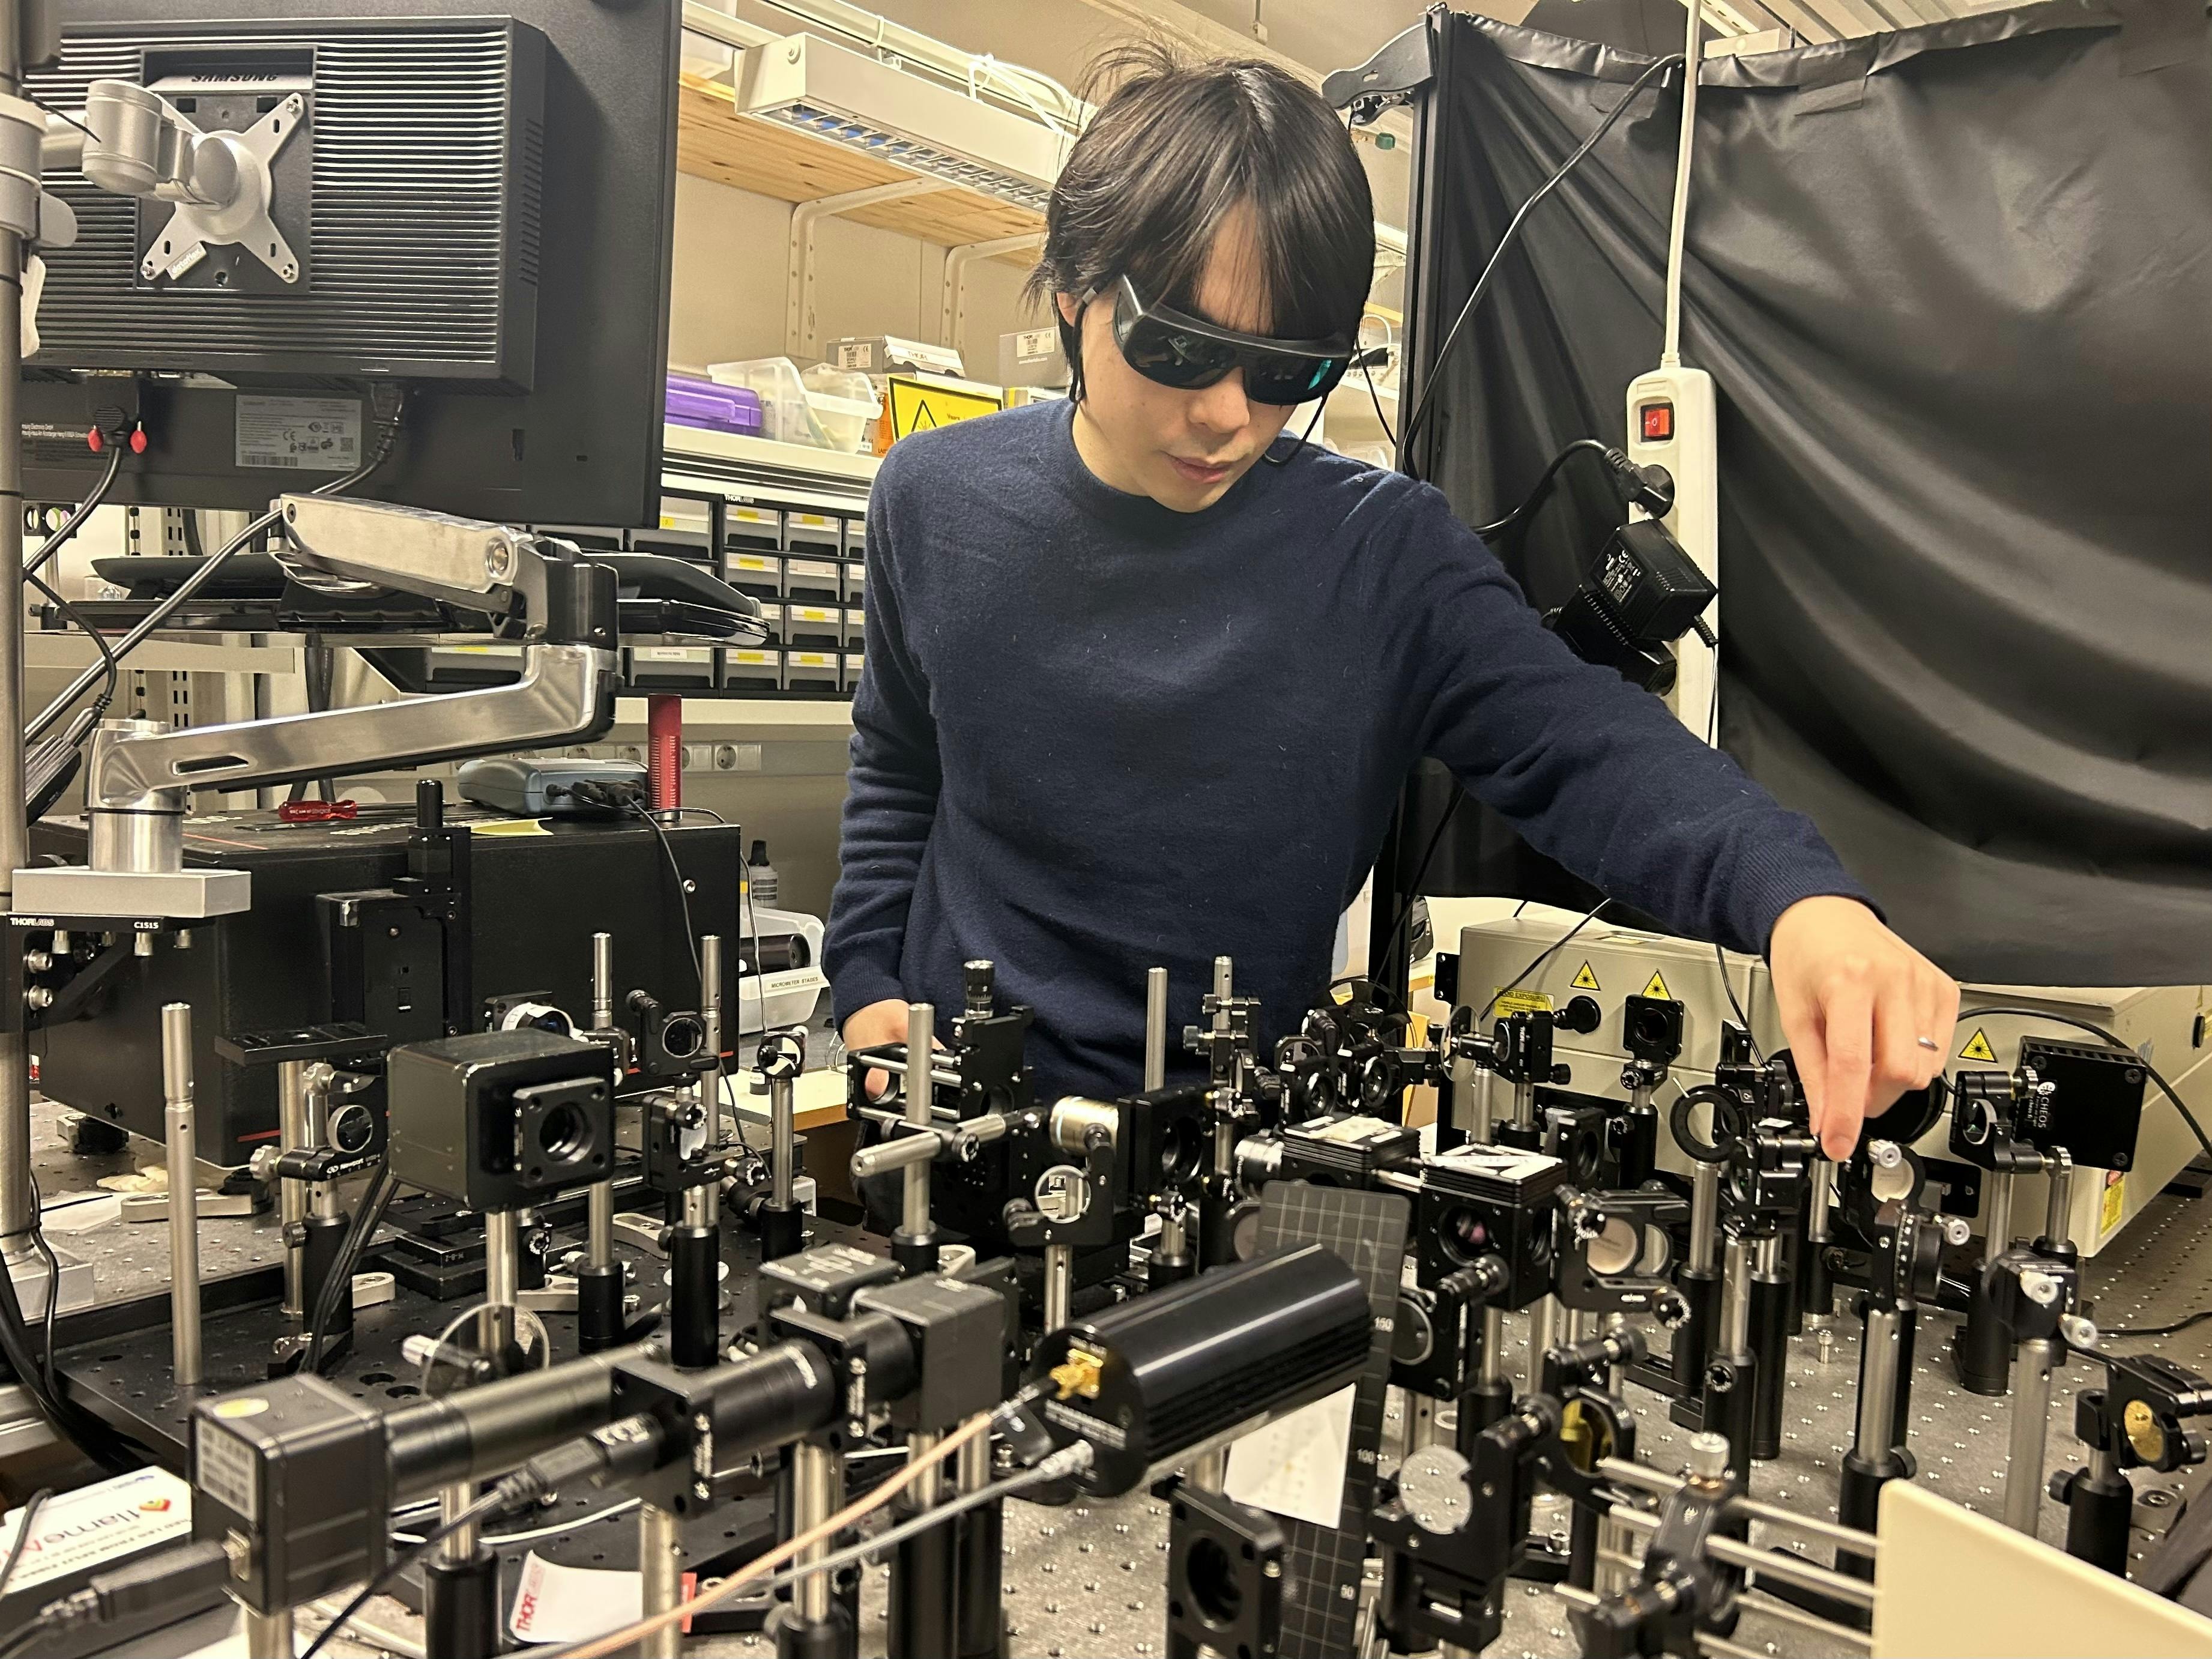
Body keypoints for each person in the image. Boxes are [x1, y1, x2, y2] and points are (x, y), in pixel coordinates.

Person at [825, 44, 1957, 1162]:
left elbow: (1587, 748)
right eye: (1182, 349)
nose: (1228, 415)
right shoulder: (931, 498)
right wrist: (867, 976)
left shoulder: (1384, 555)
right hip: (947, 1137)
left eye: (1286, 374)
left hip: (1227, 1164)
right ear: (1075, 294)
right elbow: (900, 762)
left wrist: (1801, 901)